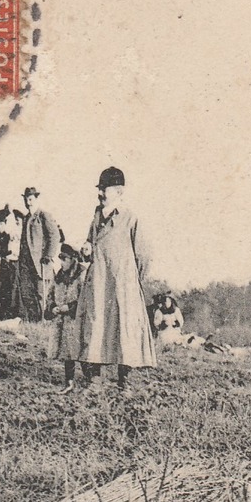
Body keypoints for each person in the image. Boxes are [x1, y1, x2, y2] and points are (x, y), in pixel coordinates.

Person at [75, 166, 156, 390]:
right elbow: (89, 243)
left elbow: (144, 256)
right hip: (98, 285)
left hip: (123, 286)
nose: (100, 193)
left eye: (105, 189)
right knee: (95, 326)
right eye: (99, 189)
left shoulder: (130, 218)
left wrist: (132, 282)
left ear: (119, 192)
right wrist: (86, 249)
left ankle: (125, 380)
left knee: (124, 330)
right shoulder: (96, 217)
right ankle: (95, 378)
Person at [14, 187, 61, 321]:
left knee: (42, 294)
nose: (28, 203)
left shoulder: (43, 216)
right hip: (25, 263)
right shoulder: (26, 218)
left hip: (40, 262)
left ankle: (44, 321)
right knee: (27, 294)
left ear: (36, 199)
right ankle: (34, 322)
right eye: (26, 200)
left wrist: (48, 255)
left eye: (30, 199)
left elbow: (55, 236)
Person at [47, 244, 85, 392]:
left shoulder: (81, 276)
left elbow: (85, 299)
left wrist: (70, 307)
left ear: (73, 260)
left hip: (77, 321)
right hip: (62, 321)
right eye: (60, 259)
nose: (61, 263)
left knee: (81, 351)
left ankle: (91, 380)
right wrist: (52, 308)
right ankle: (69, 381)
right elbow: (50, 295)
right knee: (67, 353)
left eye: (64, 259)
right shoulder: (59, 276)